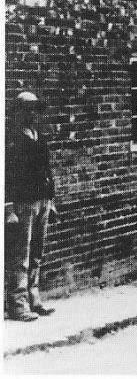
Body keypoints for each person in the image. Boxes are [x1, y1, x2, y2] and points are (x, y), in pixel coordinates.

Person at [5, 91, 57, 321]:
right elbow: (6, 176)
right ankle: (18, 305)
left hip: (43, 202)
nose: (32, 114)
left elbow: (48, 171)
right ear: (17, 112)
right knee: (21, 256)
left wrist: (51, 201)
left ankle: (34, 297)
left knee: (37, 254)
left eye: (35, 109)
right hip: (24, 203)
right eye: (27, 109)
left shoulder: (40, 138)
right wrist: (9, 208)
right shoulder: (12, 140)